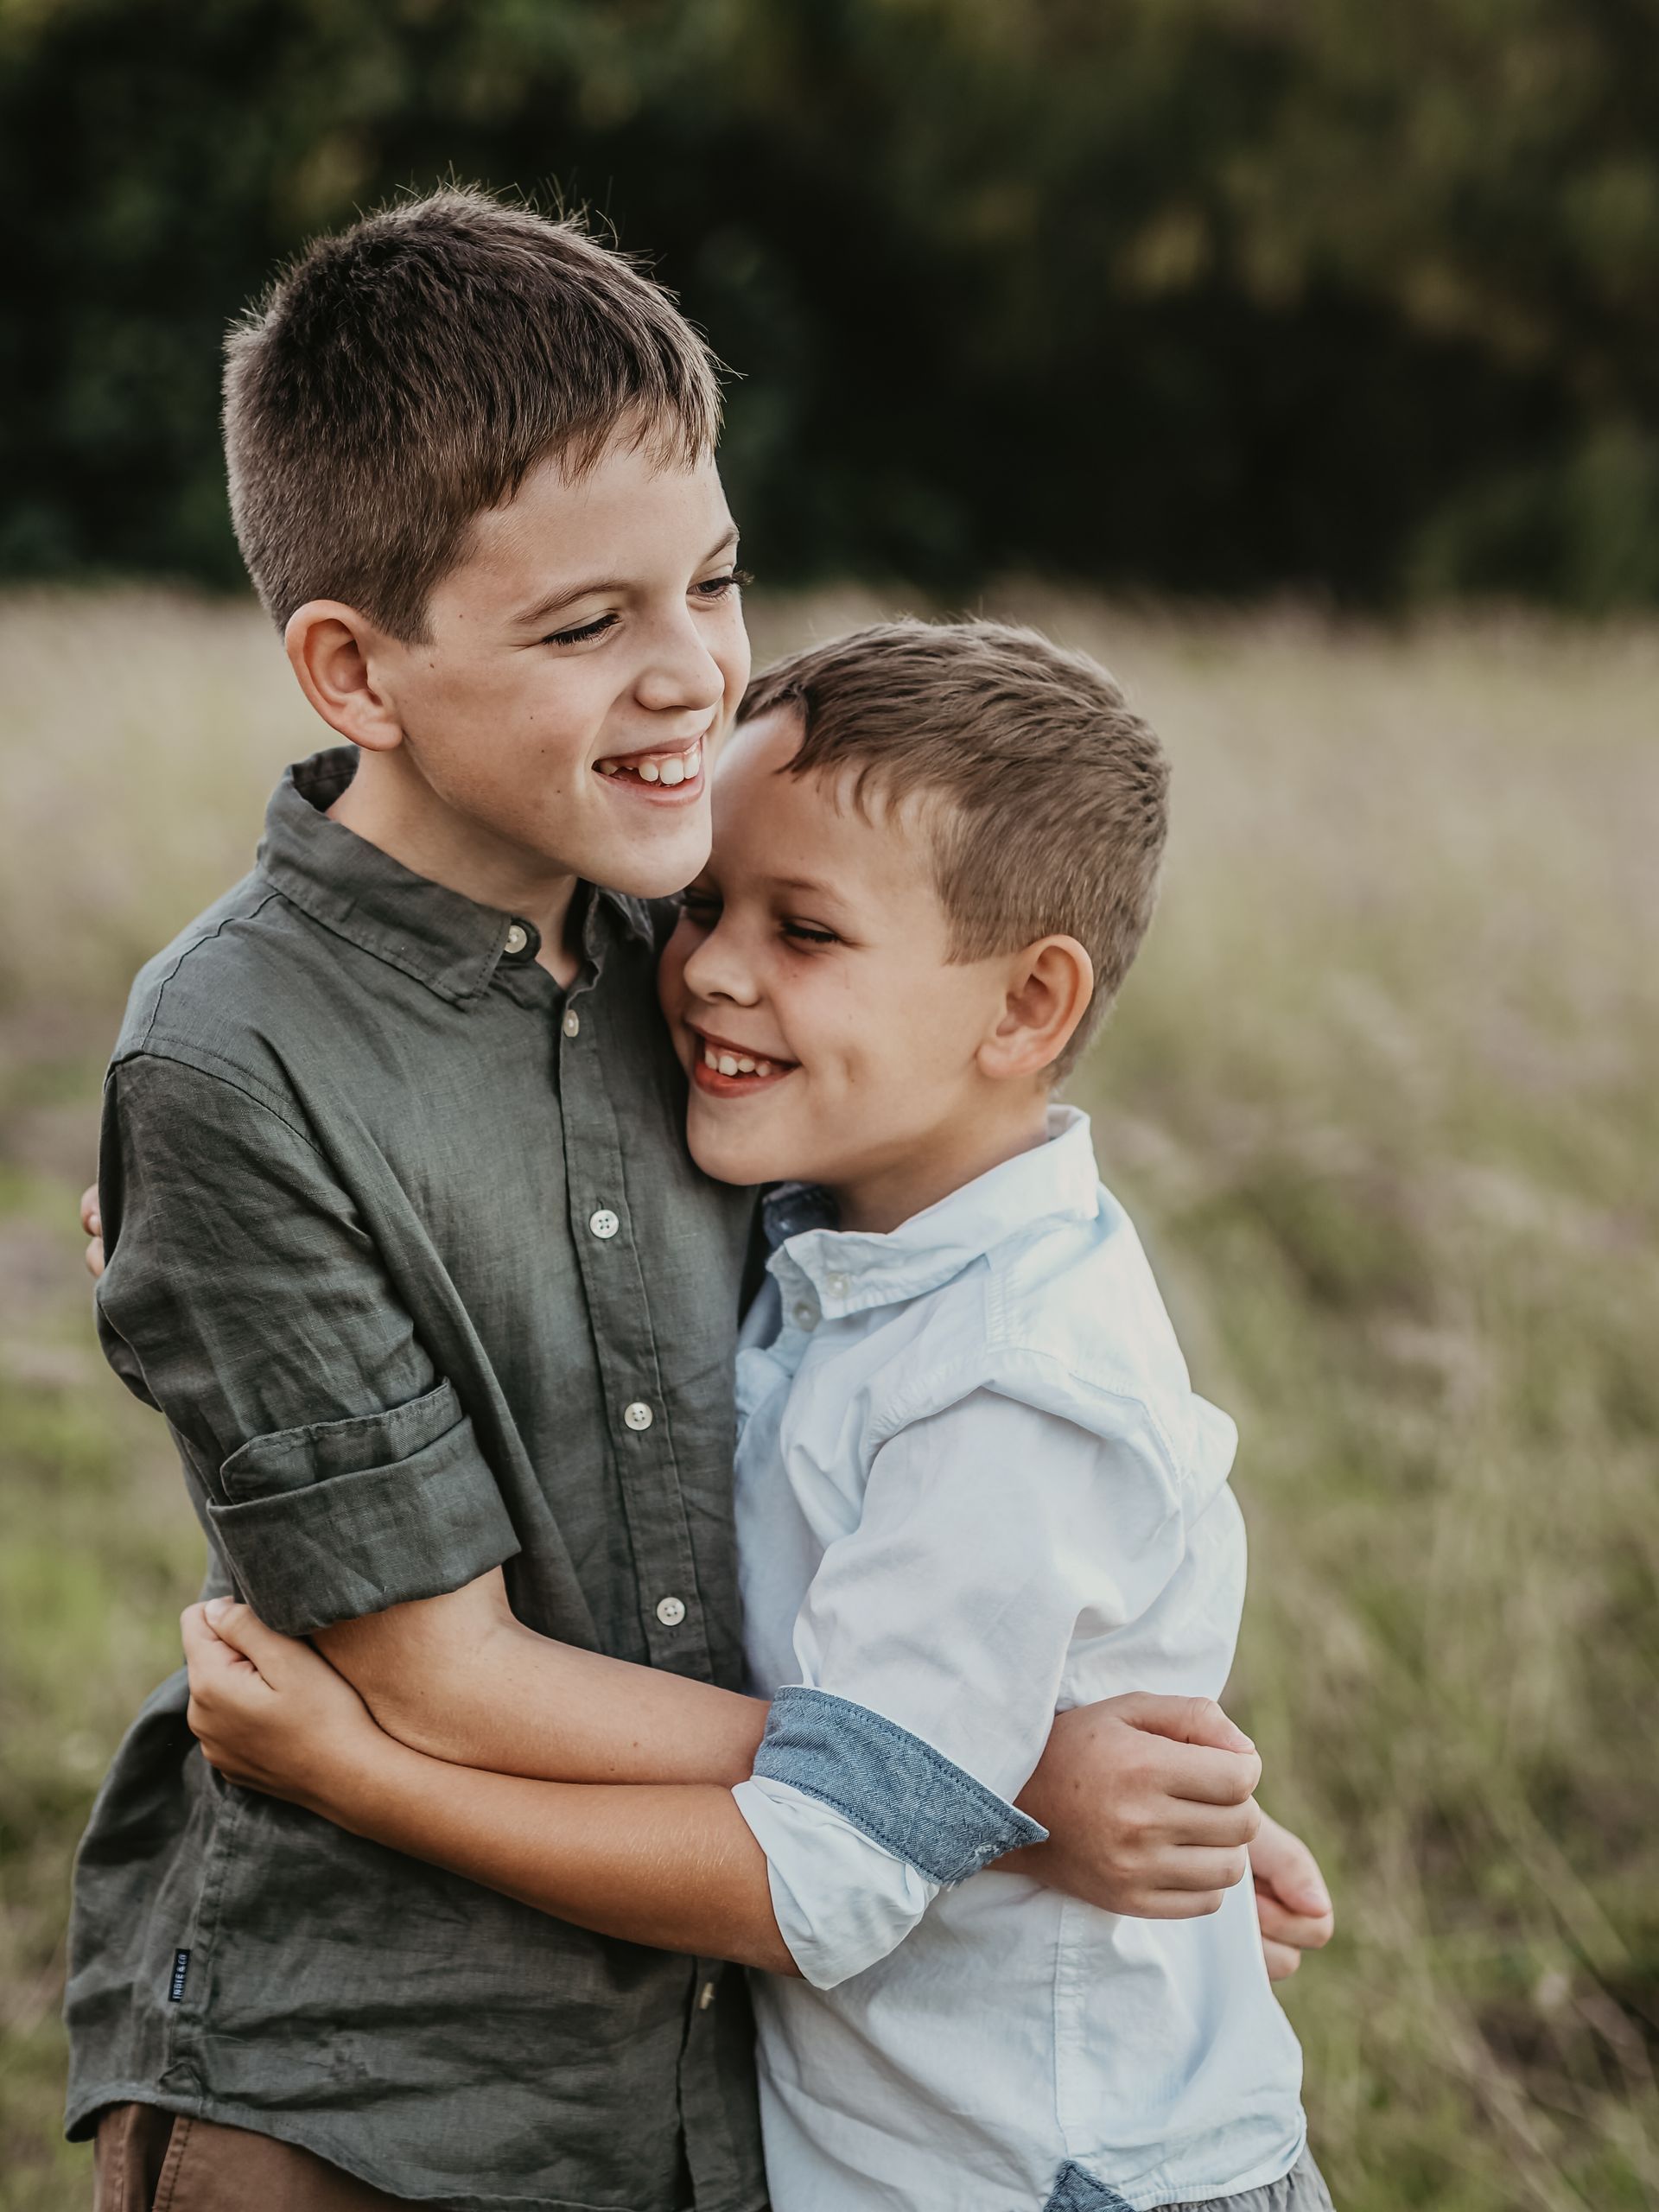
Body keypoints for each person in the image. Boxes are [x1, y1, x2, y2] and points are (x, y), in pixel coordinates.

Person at [72, 187, 1327, 2212]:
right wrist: (1003, 1793)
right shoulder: (236, 1057)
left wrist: (1056, 1732)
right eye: (587, 624)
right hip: (365, 2077)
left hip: (713, 2071)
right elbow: (425, 1676)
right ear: (355, 670)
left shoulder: (694, 952)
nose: (692, 681)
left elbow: (910, 1444)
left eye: (714, 585)